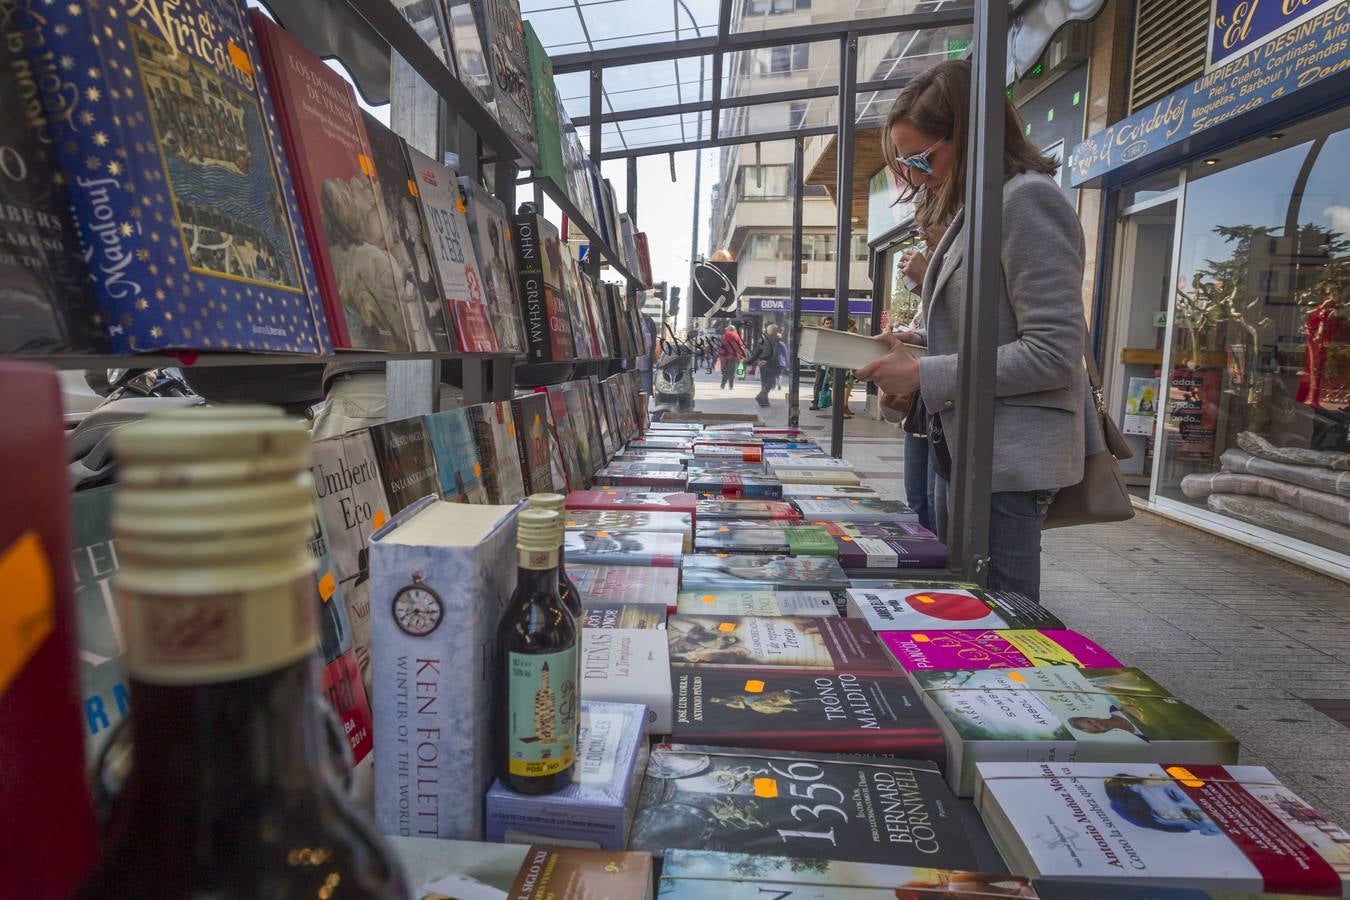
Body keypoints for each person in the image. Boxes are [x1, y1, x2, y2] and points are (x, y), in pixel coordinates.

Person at [856, 59, 1103, 602]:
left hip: (1008, 459)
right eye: (906, 162)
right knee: (969, 603)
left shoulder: (1026, 200)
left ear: (968, 134)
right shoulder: (981, 206)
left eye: (923, 156)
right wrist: (916, 346)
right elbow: (991, 331)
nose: (917, 174)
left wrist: (923, 371)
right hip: (970, 449)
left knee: (1002, 616)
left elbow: (1053, 353)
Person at [749, 323, 783, 408]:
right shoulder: (776, 340)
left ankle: (764, 402)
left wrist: (751, 361)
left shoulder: (763, 339)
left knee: (764, 383)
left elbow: (757, 351)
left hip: (762, 364)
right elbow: (775, 353)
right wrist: (767, 361)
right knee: (770, 383)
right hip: (771, 364)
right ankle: (760, 397)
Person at [807, 316, 834, 410]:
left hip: (830, 362)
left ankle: (823, 401)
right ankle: (816, 402)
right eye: (827, 323)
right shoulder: (820, 334)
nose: (829, 325)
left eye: (830, 323)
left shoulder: (833, 335)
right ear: (823, 324)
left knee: (826, 383)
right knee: (818, 382)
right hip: (820, 362)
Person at [718, 324, 746, 389]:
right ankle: (731, 385)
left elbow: (722, 347)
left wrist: (720, 356)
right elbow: (738, 347)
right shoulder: (736, 336)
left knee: (725, 371)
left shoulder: (724, 336)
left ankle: (723, 384)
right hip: (733, 357)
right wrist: (741, 355)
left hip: (725, 357)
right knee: (731, 371)